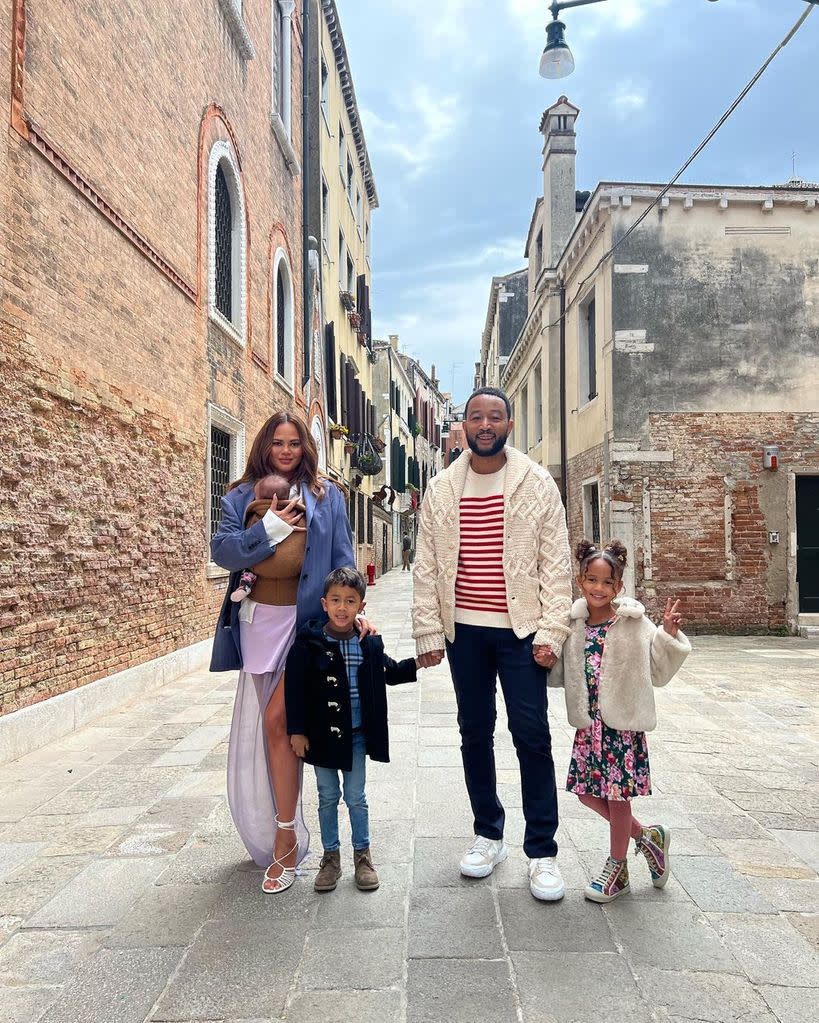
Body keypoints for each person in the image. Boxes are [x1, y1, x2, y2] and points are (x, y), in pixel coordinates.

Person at [411, 386, 573, 901]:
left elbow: (556, 564)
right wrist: (428, 632)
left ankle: (543, 851)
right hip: (465, 634)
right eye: (476, 417)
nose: (485, 425)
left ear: (508, 424)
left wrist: (552, 631)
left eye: (495, 417)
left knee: (532, 736)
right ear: (463, 427)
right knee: (474, 732)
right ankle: (488, 834)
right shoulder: (441, 488)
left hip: (521, 634)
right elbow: (426, 565)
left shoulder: (536, 482)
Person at [210, 411, 364, 895]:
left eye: (294, 442)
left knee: (281, 723)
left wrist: (353, 610)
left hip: (308, 630)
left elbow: (342, 559)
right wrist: (270, 527)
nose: (286, 450)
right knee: (273, 732)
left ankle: (285, 840)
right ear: (263, 445)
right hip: (259, 626)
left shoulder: (327, 496)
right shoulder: (240, 495)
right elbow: (224, 552)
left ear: (305, 448)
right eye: (278, 442)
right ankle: (286, 830)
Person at [550, 539, 690, 903]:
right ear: (580, 580)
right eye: (591, 580)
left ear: (619, 586)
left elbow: (658, 668)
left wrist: (668, 634)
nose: (599, 588)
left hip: (621, 729)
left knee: (617, 799)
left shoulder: (632, 622)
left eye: (607, 582)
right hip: (588, 727)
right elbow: (560, 671)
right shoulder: (574, 623)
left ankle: (617, 868)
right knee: (584, 793)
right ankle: (648, 838)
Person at [285, 567, 419, 893]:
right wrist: (297, 731)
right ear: (324, 603)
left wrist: (420, 663)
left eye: (350, 601)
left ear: (361, 605)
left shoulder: (367, 643)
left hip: (357, 734)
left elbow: (388, 671)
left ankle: (363, 856)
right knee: (327, 796)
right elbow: (295, 689)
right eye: (335, 600)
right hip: (321, 736)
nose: (342, 607)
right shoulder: (310, 643)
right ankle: (330, 858)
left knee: (356, 797)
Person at [229, 473, 292, 603]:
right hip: (291, 572)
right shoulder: (297, 513)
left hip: (259, 568)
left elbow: (245, 544)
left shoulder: (254, 516)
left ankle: (245, 585)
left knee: (250, 564)